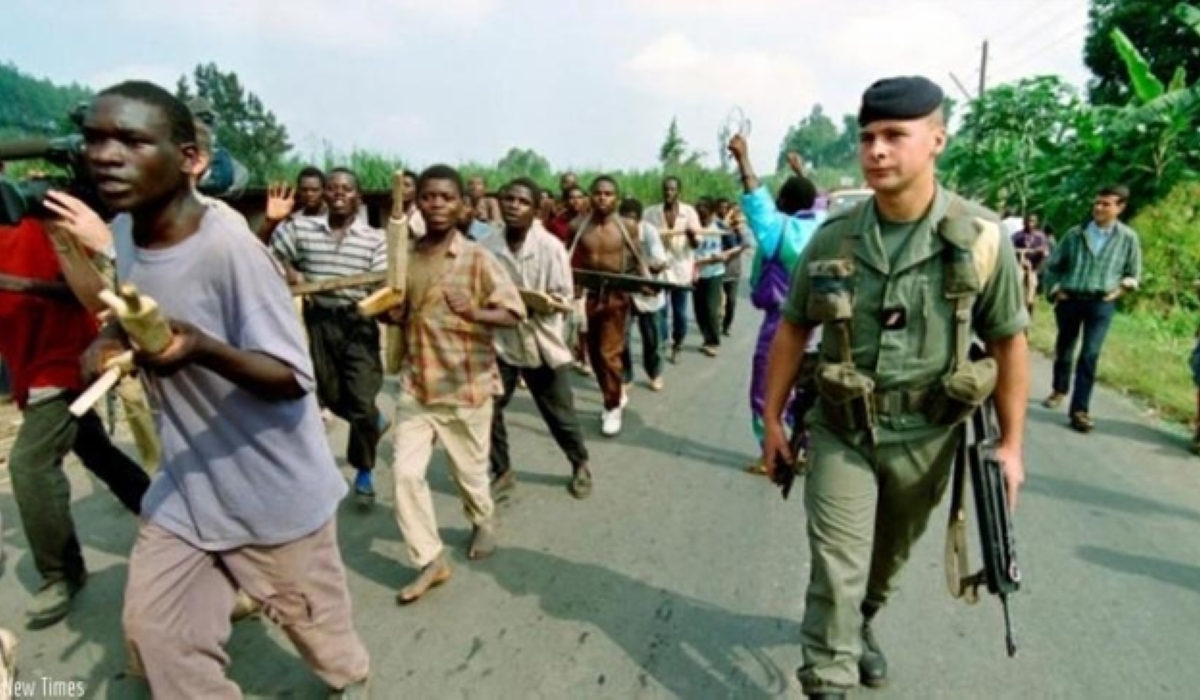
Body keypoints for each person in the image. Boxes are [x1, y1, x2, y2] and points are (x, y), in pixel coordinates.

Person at [79, 80, 370, 697]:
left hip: (269, 490)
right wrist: (108, 338)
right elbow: (132, 306)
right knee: (156, 635)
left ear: (189, 158)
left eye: (131, 141)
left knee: (321, 638)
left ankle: (352, 678)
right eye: (95, 139)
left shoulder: (229, 249)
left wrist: (202, 349)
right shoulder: (126, 230)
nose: (106, 156)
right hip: (187, 480)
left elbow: (292, 378)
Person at [760, 76, 1029, 697]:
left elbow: (1009, 343)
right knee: (837, 564)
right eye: (867, 138)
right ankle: (828, 678)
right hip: (843, 431)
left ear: (936, 140)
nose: (876, 150)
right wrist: (773, 420)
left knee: (888, 559)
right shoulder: (834, 236)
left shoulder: (981, 237)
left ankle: (864, 620)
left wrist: (1012, 447)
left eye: (893, 136)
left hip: (929, 437)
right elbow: (793, 329)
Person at [0, 212, 150, 630]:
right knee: (96, 451)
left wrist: (14, 284)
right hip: (27, 368)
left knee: (29, 465)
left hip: (65, 360)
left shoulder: (39, 223)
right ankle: (163, 515)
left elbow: (93, 294)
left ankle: (60, 573)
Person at [386, 165, 525, 604]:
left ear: (463, 205)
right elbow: (400, 309)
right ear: (417, 202)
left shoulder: (478, 258)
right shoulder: (404, 254)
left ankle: (482, 518)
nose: (437, 205)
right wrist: (391, 313)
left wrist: (474, 313)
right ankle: (430, 559)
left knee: (470, 475)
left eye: (446, 197)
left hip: (466, 387)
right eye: (428, 196)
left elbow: (514, 312)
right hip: (417, 385)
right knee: (405, 474)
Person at [270, 168, 390, 501]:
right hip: (320, 321)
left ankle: (363, 470)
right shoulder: (302, 229)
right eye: (333, 188)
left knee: (361, 402)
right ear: (324, 195)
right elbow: (269, 254)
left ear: (358, 198)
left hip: (357, 322)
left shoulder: (375, 239)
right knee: (332, 397)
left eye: (346, 189)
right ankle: (375, 421)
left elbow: (380, 284)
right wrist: (291, 272)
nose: (339, 193)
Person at [483, 178, 593, 498]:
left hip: (540, 340)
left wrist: (535, 304)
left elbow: (564, 297)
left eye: (523, 202)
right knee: (487, 408)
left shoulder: (550, 247)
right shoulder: (487, 246)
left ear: (536, 209)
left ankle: (580, 463)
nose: (514, 206)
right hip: (502, 341)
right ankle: (502, 470)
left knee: (560, 414)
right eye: (509, 199)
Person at [727, 133, 824, 474]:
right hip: (821, 327)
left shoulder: (780, 232)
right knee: (807, 391)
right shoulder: (823, 225)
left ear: (782, 201)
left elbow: (756, 201)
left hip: (781, 326)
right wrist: (802, 173)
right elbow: (817, 200)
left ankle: (771, 455)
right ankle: (803, 450)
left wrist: (743, 158)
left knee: (766, 391)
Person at [1041, 185, 1142, 433]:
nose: (1098, 208)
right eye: (1097, 203)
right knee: (1065, 347)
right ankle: (1059, 389)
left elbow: (1133, 273)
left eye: (1106, 204)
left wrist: (1118, 292)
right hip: (1071, 299)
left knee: (1090, 354)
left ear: (1120, 207)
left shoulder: (1128, 238)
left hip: (1101, 303)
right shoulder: (1075, 235)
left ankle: (1080, 410)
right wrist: (1056, 290)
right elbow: (1053, 266)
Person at [571, 176, 639, 436]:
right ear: (591, 196)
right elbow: (566, 258)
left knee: (609, 352)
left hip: (616, 295)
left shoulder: (627, 226)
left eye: (608, 193)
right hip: (589, 295)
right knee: (594, 353)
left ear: (616, 198)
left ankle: (612, 407)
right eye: (598, 193)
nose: (602, 198)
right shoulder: (578, 226)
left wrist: (645, 281)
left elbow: (638, 259)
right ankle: (614, 391)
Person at [644, 177, 700, 363]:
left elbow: (697, 244)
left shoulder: (689, 213)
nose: (668, 193)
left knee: (680, 312)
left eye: (672, 189)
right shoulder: (651, 213)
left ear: (678, 192)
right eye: (666, 189)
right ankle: (662, 342)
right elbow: (642, 238)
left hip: (681, 269)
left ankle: (678, 343)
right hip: (659, 269)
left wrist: (691, 236)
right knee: (660, 310)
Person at [618, 197, 668, 392]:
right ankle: (625, 376)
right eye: (624, 217)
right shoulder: (615, 232)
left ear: (639, 219)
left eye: (632, 218)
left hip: (648, 293)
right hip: (625, 292)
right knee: (622, 338)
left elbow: (658, 260)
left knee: (652, 338)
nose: (628, 222)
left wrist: (645, 268)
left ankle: (654, 373)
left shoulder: (649, 231)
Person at [691, 198, 728, 357]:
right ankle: (706, 338)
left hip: (714, 272)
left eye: (705, 209)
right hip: (696, 274)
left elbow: (734, 245)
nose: (701, 212)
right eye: (699, 209)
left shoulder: (720, 227)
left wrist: (724, 256)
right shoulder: (692, 227)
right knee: (699, 310)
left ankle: (713, 341)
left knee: (710, 308)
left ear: (712, 212)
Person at [258, 166, 327, 241]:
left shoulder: (333, 218)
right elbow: (258, 244)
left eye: (315, 190)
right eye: (304, 190)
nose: (309, 194)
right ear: (298, 191)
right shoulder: (292, 221)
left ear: (323, 190)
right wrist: (270, 221)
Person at [717, 198, 749, 337]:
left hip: (733, 270)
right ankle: (715, 324)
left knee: (731, 301)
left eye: (726, 208)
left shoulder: (738, 228)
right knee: (717, 302)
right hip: (717, 269)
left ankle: (727, 325)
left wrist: (738, 228)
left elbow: (745, 243)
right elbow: (722, 225)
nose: (723, 210)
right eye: (721, 208)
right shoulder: (716, 225)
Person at [1011, 213, 1050, 316]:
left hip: (1033, 268)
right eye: (1028, 221)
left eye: (1032, 221)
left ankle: (1029, 310)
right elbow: (1010, 248)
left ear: (1036, 223)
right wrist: (1021, 252)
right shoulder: (1017, 236)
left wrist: (1040, 252)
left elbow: (1045, 251)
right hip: (1020, 266)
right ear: (1024, 222)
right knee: (1017, 287)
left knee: (1031, 289)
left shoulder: (1040, 236)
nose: (1030, 224)